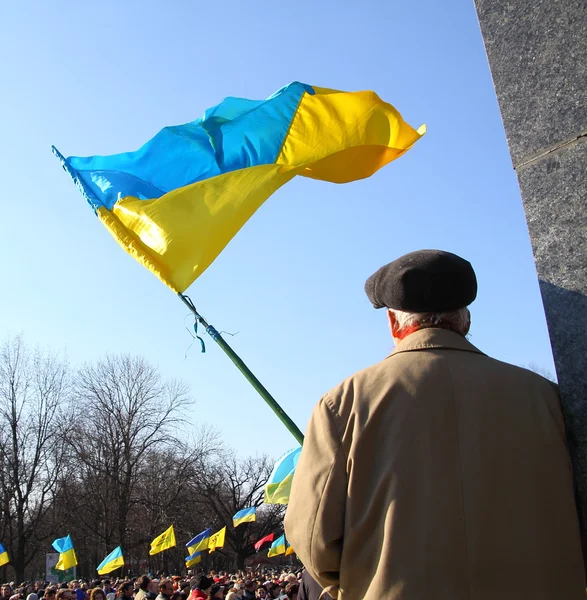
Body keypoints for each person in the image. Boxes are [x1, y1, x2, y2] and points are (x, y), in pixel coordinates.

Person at [285, 249, 586, 599]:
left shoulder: (344, 402)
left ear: (394, 323)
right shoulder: (548, 397)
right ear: (465, 320)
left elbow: (312, 536)